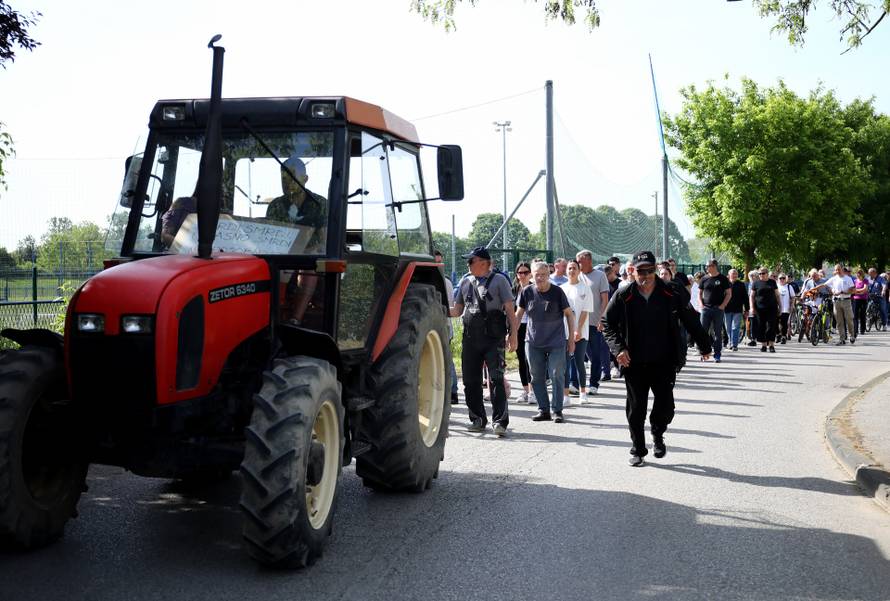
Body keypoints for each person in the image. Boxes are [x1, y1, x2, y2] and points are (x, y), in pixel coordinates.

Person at [603, 250, 712, 467]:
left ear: (656, 271)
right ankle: (638, 448)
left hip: (664, 360)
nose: (645, 275)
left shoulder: (672, 292)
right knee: (636, 409)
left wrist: (704, 346)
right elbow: (607, 324)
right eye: (641, 271)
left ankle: (657, 433)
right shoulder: (624, 295)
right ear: (633, 271)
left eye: (650, 271)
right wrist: (619, 349)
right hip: (634, 362)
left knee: (665, 407)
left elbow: (691, 319)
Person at [450, 247, 519, 436]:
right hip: (470, 339)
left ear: (482, 262)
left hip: (493, 339)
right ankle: (477, 419)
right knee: (471, 381)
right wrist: (433, 307)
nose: (468, 264)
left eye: (471, 261)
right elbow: (456, 311)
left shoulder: (499, 281)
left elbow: (510, 311)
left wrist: (513, 335)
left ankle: (500, 422)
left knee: (496, 379)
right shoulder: (465, 281)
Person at [266, 156, 328, 324]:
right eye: (283, 178)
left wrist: (309, 251)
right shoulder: (275, 206)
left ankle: (295, 320)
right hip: (281, 256)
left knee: (309, 271)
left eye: (292, 178)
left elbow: (324, 241)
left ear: (305, 179)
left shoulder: (319, 203)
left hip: (309, 258)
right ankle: (270, 317)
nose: (287, 183)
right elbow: (268, 237)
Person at [516, 261, 575, 423]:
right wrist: (512, 333)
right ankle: (544, 410)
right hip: (533, 341)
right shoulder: (526, 292)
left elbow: (569, 315)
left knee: (556, 373)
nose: (540, 278)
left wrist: (571, 339)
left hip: (556, 341)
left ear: (549, 275)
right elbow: (518, 314)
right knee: (536, 376)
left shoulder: (557, 292)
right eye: (537, 275)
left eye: (543, 275)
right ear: (532, 276)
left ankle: (557, 410)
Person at [576, 250, 610, 396]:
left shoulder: (600, 276)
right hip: (579, 323)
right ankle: (576, 383)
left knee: (595, 354)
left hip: (594, 322)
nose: (578, 264)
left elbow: (604, 299)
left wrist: (602, 319)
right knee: (581, 354)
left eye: (580, 261)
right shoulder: (577, 276)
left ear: (588, 260)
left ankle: (594, 383)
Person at [560, 259, 593, 401]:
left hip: (581, 333)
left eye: (574, 268)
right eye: (569, 268)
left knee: (579, 361)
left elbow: (585, 311)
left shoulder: (585, 288)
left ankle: (583, 392)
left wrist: (577, 330)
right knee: (565, 363)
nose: (571, 271)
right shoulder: (561, 288)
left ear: (579, 271)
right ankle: (565, 395)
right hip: (564, 332)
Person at [434, 250, 460, 404]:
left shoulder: (446, 282)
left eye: (440, 262)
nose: (438, 265)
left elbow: (448, 306)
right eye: (435, 262)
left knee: (447, 359)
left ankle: (453, 391)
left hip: (443, 326)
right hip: (435, 326)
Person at [810, 264, 856, 345]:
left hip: (846, 301)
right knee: (839, 321)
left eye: (838, 269)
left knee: (849, 319)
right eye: (836, 270)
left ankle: (852, 335)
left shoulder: (848, 279)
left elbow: (853, 290)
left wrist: (844, 292)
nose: (837, 271)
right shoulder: (834, 279)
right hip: (836, 301)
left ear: (842, 269)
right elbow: (824, 285)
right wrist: (814, 288)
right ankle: (842, 339)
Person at [698, 259, 731, 362]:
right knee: (703, 332)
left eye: (708, 266)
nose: (706, 267)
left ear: (714, 266)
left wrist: (723, 305)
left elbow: (729, 293)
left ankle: (717, 354)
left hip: (718, 309)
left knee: (717, 333)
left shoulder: (723, 279)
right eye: (706, 266)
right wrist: (701, 305)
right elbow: (699, 293)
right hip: (706, 309)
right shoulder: (704, 279)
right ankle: (704, 353)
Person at [512, 261, 535, 405]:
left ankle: (533, 392)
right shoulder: (514, 290)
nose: (523, 275)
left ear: (530, 274)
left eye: (526, 272)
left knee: (530, 360)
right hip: (518, 327)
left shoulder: (534, 289)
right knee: (521, 359)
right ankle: (526, 390)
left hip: (532, 326)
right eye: (520, 273)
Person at [749, 267, 780, 352]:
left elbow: (777, 295)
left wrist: (780, 306)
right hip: (760, 308)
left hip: (772, 308)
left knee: (771, 326)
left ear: (767, 274)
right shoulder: (755, 283)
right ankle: (763, 345)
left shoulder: (772, 282)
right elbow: (751, 296)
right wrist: (752, 307)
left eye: (763, 273)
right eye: (760, 274)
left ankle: (771, 345)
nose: (761, 275)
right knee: (761, 326)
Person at [724, 268, 749, 351]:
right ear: (729, 275)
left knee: (735, 327)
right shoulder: (725, 284)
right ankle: (730, 342)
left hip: (737, 309)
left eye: (736, 274)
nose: (734, 275)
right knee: (728, 327)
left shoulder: (741, 284)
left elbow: (745, 297)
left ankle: (734, 344)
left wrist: (747, 309)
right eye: (733, 273)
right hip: (727, 309)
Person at [777, 273, 796, 344]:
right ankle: (778, 334)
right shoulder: (776, 286)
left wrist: (792, 306)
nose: (782, 280)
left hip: (785, 308)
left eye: (783, 278)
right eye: (780, 278)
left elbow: (793, 297)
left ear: (786, 279)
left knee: (784, 323)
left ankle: (783, 337)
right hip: (777, 308)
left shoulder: (789, 287)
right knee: (776, 322)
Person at [852, 269, 869, 335]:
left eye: (859, 273)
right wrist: (859, 292)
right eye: (857, 273)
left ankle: (862, 329)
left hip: (863, 299)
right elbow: (853, 290)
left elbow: (865, 289)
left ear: (862, 274)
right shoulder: (855, 281)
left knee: (862, 314)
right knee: (855, 315)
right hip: (856, 299)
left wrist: (857, 291)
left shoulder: (865, 280)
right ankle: (855, 330)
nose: (858, 274)